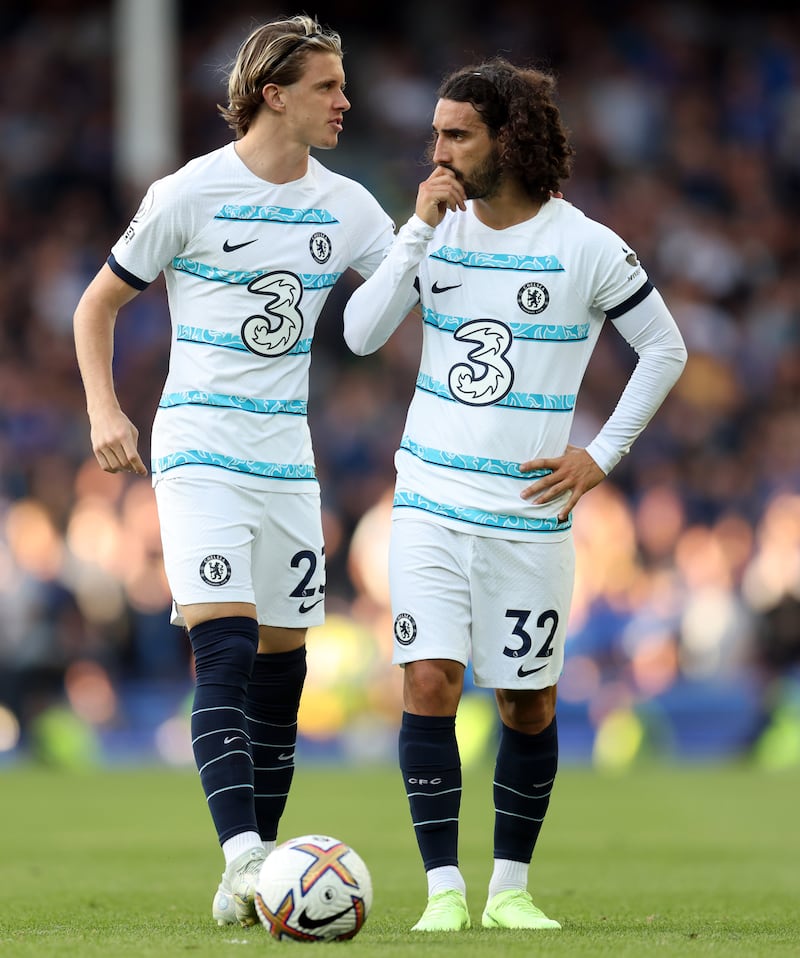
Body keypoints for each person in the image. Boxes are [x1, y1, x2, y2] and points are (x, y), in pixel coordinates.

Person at [343, 58, 687, 932]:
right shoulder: (435, 229)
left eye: (457, 134)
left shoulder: (587, 246)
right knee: (429, 681)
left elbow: (665, 349)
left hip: (531, 516)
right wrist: (415, 231)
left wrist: (602, 455)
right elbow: (359, 333)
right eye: (436, 133)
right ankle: (444, 895)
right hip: (426, 496)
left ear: (509, 138)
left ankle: (510, 890)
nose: (439, 151)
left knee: (526, 701)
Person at [73, 15, 394, 927]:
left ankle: (257, 868)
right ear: (274, 95)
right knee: (223, 647)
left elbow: (403, 295)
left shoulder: (351, 207)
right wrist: (105, 408)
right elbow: (95, 309)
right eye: (328, 86)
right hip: (199, 450)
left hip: (288, 460)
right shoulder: (188, 193)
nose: (344, 101)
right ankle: (245, 853)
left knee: (283, 675)